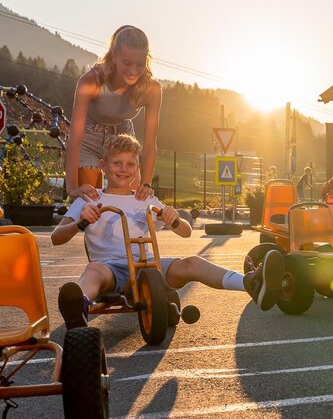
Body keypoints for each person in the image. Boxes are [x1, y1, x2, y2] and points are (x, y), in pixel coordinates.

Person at [52, 135, 284, 328]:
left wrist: (174, 219)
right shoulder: (90, 198)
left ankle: (251, 283)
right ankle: (78, 305)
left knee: (193, 262)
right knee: (93, 269)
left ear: (137, 168)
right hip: (111, 270)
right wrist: (81, 223)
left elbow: (186, 232)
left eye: (130, 164)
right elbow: (56, 238)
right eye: (117, 163)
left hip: (149, 266)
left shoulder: (145, 198)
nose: (123, 169)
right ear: (103, 165)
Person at [65, 25, 162, 203]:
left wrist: (146, 185)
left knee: (134, 199)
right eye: (127, 63)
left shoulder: (152, 89)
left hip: (122, 134)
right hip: (89, 134)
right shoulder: (91, 81)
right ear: (114, 56)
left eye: (140, 64)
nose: (134, 71)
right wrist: (72, 188)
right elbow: (75, 137)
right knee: (91, 200)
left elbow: (149, 144)